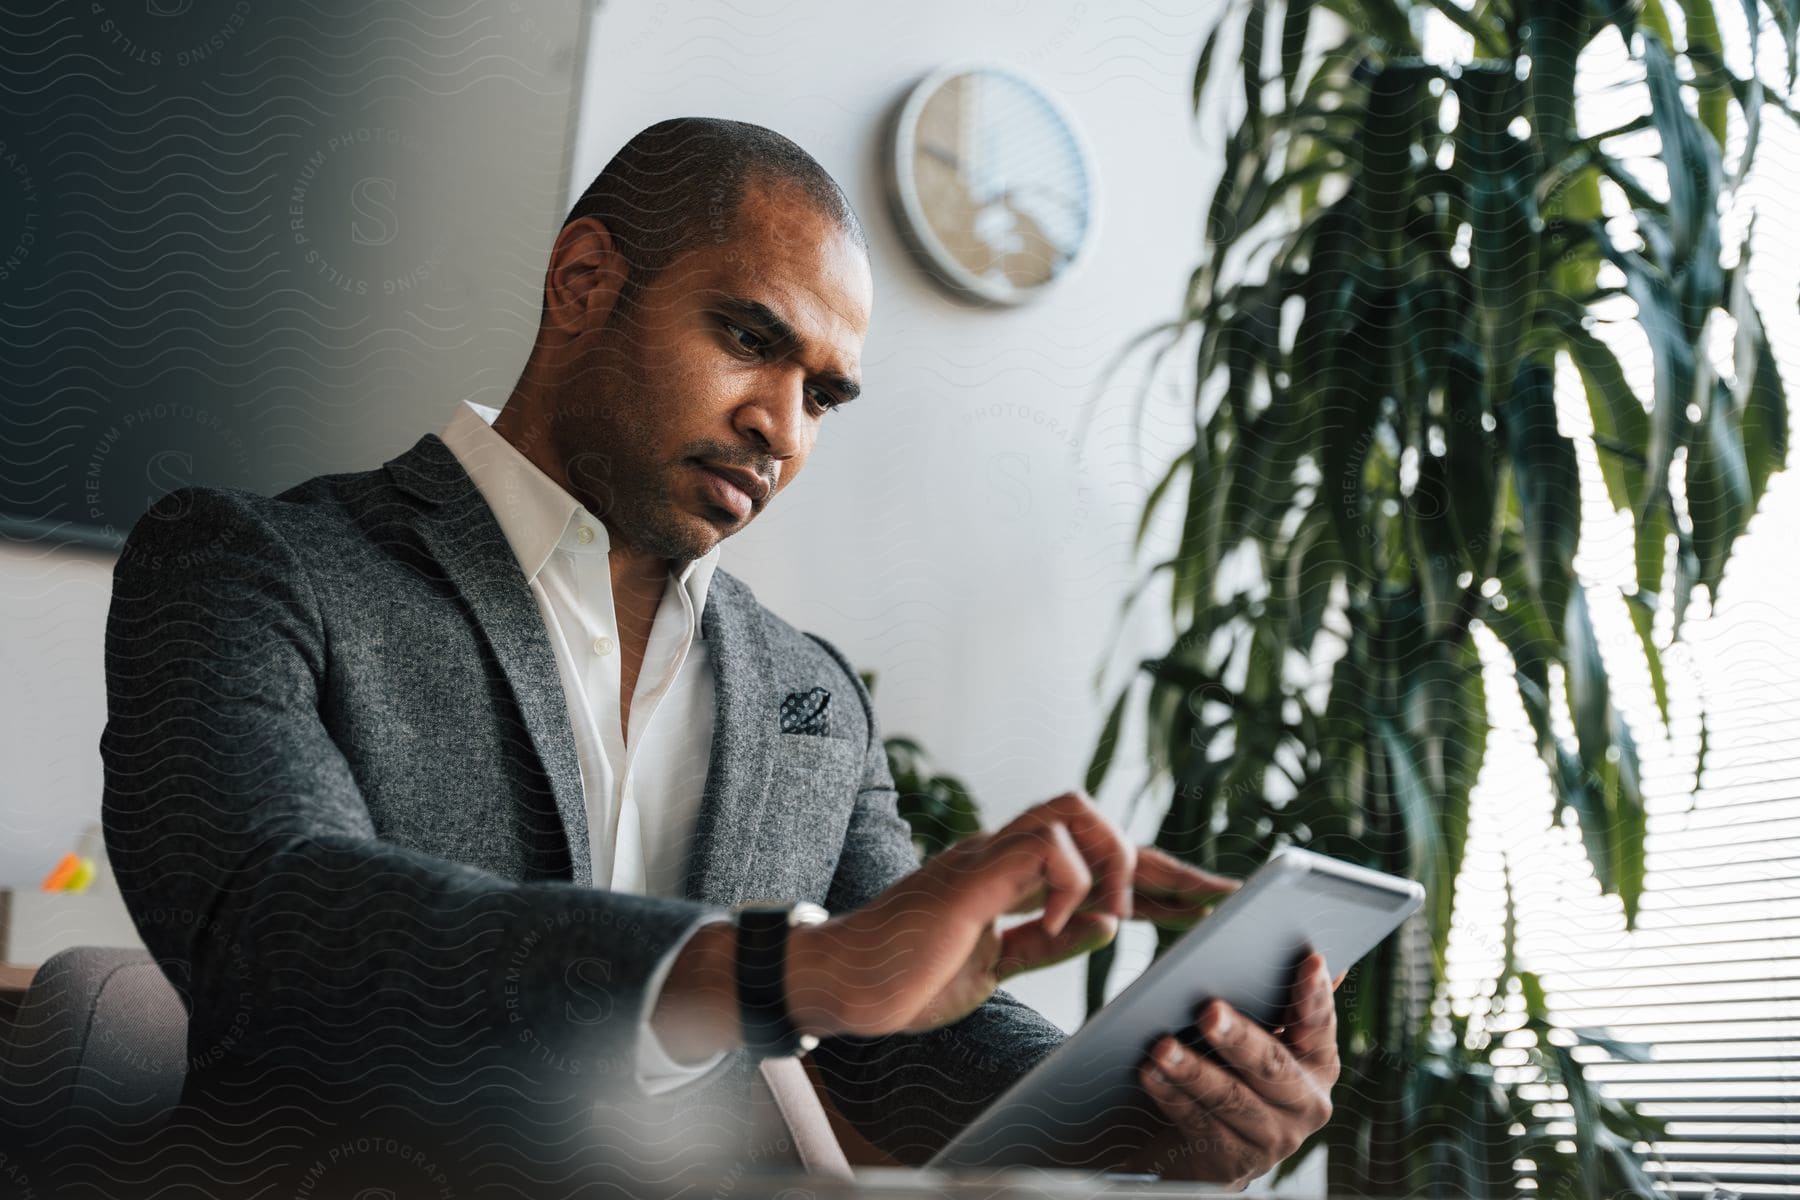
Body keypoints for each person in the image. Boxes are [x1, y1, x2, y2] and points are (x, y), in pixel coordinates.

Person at [92, 117, 1337, 1193]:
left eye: (824, 396)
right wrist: (774, 968)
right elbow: (270, 927)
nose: (779, 428)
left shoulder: (809, 694)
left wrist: (1156, 1120)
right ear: (582, 280)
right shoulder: (254, 566)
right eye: (750, 339)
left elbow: (894, 1033)